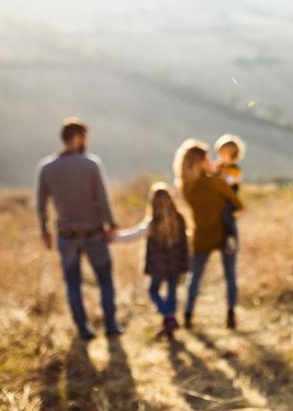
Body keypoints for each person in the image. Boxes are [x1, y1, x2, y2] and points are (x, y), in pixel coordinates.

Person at [36, 117, 123, 340]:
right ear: (76, 138)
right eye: (85, 137)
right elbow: (102, 200)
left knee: (72, 284)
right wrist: (111, 225)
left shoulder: (47, 168)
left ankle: (83, 329)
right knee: (105, 279)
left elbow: (41, 204)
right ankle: (111, 325)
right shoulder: (91, 164)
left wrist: (44, 232)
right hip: (93, 233)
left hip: (65, 236)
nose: (86, 142)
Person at [173, 139, 244, 330]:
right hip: (225, 232)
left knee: (194, 277)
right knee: (230, 275)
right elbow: (238, 203)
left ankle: (187, 315)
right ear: (200, 161)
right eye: (206, 158)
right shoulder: (216, 183)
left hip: (201, 234)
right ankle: (230, 316)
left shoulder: (185, 187)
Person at [116, 182, 190, 339]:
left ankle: (169, 319)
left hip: (158, 266)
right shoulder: (179, 219)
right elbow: (185, 245)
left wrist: (114, 237)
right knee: (171, 294)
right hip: (175, 264)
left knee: (153, 291)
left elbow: (133, 234)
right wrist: (185, 264)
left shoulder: (152, 223)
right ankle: (169, 321)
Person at [213, 134, 246, 253]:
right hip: (220, 199)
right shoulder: (219, 166)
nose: (221, 157)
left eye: (224, 154)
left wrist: (220, 176)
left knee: (227, 214)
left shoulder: (235, 169)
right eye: (220, 154)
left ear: (232, 156)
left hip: (230, 199)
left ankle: (231, 236)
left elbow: (231, 181)